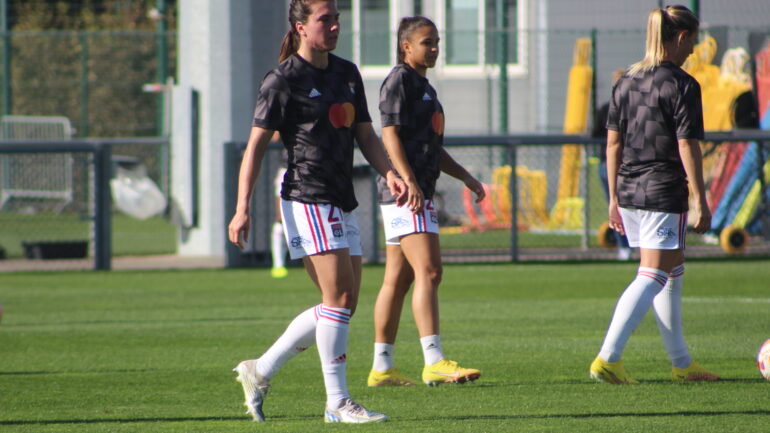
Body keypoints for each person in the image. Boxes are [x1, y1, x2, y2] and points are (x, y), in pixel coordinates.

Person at [228, 0, 407, 423]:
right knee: (338, 300)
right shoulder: (282, 79)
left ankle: (261, 369)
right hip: (306, 196)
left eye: (337, 18)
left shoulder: (347, 73)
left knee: (342, 305)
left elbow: (365, 134)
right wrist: (242, 209)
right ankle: (337, 402)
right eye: (325, 19)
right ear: (301, 26)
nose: (334, 25)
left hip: (342, 196)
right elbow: (254, 148)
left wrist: (391, 173)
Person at [589, 5, 719, 384]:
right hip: (662, 191)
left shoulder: (626, 80)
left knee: (671, 267)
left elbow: (612, 145)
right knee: (652, 274)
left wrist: (612, 197)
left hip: (628, 190)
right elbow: (687, 146)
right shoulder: (682, 84)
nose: (693, 50)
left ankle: (682, 363)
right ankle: (609, 358)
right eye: (692, 41)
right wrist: (700, 198)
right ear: (680, 38)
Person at [366, 16, 486, 388]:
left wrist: (465, 176)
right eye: (426, 43)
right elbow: (389, 137)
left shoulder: (424, 87)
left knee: (398, 280)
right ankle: (433, 360)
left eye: (436, 42)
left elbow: (432, 149)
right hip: (406, 193)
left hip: (411, 190)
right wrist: (409, 181)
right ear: (406, 46)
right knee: (430, 271)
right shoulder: (399, 81)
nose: (434, 49)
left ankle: (382, 368)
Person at [592, 69, 632, 261]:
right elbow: (596, 134)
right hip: (611, 164)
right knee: (616, 206)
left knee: (631, 207)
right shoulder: (607, 109)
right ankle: (624, 246)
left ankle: (631, 245)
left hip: (631, 165)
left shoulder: (635, 109)